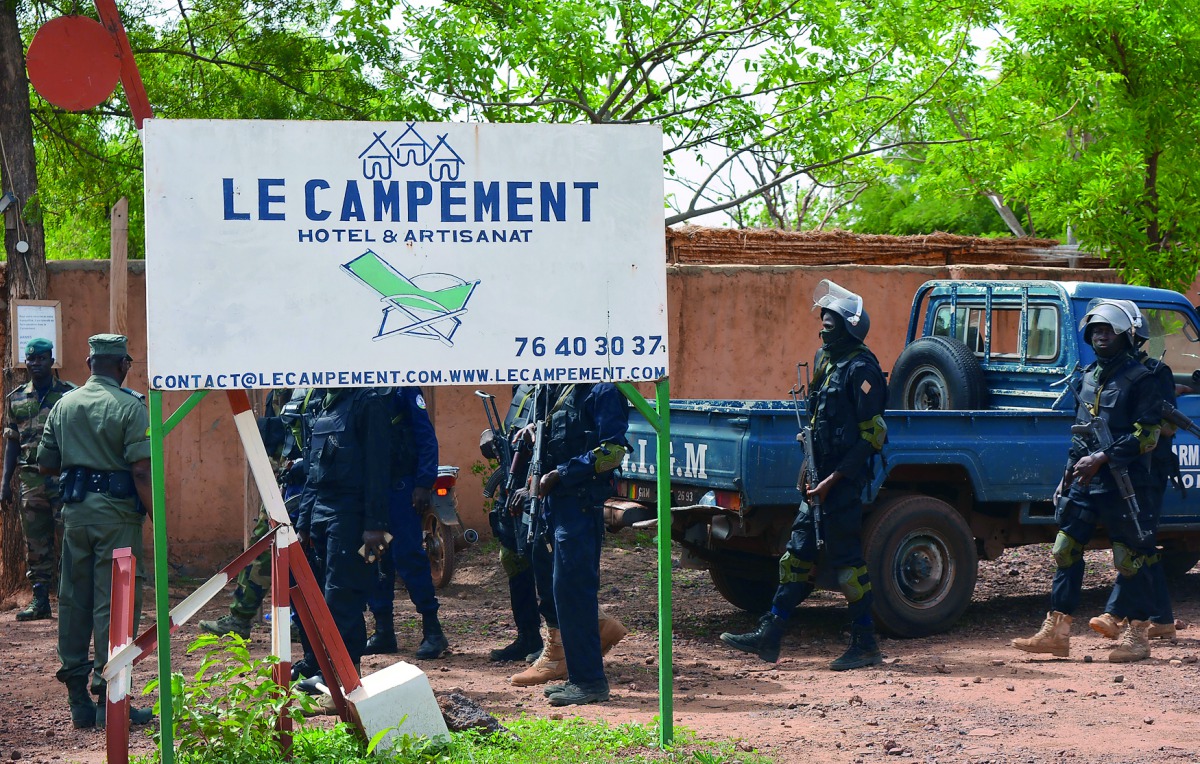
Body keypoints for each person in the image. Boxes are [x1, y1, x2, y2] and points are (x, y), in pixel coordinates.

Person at [720, 279, 888, 671]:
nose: (823, 326)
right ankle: (770, 635)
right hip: (817, 478)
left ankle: (865, 644)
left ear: (848, 326)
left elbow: (873, 435)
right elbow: (817, 421)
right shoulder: (826, 361)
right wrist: (808, 472)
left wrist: (834, 481)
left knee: (848, 565)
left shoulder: (862, 369)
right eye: (822, 320)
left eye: (830, 322)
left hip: (842, 484)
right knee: (795, 557)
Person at [1013, 299, 1163, 661]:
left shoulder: (1144, 378)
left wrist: (1104, 457)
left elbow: (1149, 435)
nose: (1100, 335)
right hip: (1086, 481)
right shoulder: (1088, 376)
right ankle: (1058, 631)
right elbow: (1079, 435)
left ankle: (1138, 634)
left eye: (1108, 329)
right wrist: (1067, 475)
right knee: (1064, 549)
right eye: (1095, 329)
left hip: (1125, 482)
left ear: (1126, 335)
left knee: (1131, 558)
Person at [36, 334, 153, 729]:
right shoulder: (130, 406)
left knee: (73, 599)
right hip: (117, 516)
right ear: (122, 365)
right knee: (115, 603)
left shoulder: (63, 404)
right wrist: (155, 515)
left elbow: (46, 463)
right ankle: (109, 699)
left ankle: (77, 701)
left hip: (76, 516)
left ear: (89, 364)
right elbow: (140, 469)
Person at [521, 381, 629, 707]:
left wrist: (562, 474)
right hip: (556, 507)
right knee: (564, 595)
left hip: (579, 507)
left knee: (576, 594)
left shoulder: (604, 390)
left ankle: (590, 682)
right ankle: (578, 676)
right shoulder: (556, 388)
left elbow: (613, 452)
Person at [1089, 307, 1179, 648]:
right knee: (1144, 546)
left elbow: (1168, 426)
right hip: (1122, 469)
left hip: (1150, 471)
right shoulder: (1111, 374)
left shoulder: (1154, 373)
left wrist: (1146, 426)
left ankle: (1116, 613)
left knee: (1138, 545)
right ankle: (1163, 621)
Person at [293, 387, 391, 691]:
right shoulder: (325, 402)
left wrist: (375, 525)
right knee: (315, 594)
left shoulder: (368, 402)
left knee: (341, 596)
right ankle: (317, 661)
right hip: (323, 510)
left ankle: (343, 671)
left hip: (353, 514)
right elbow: (313, 471)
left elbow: (378, 467)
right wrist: (304, 524)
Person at [200, 388, 314, 640]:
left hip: (315, 486)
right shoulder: (278, 392)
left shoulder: (318, 386)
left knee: (310, 554)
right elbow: (273, 443)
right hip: (284, 486)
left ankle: (303, 621)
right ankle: (242, 618)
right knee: (263, 547)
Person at [363, 386, 448, 659]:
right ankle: (383, 630)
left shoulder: (403, 388)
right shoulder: (358, 387)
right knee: (373, 557)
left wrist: (424, 482)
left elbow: (426, 438)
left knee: (409, 557)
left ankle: (433, 630)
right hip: (372, 491)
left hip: (402, 489)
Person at [3, 337, 76, 621]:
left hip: (63, 480)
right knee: (35, 544)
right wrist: (4, 482)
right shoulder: (17, 398)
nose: (36, 364)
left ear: (51, 360)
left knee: (69, 539)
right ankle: (40, 600)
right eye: (31, 359)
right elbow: (11, 442)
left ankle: (71, 600)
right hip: (30, 482)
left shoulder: (69, 395)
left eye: (41, 358)